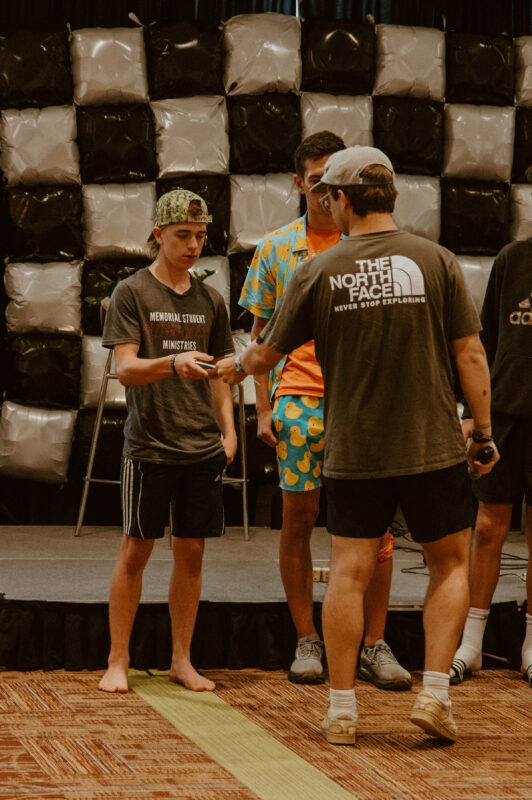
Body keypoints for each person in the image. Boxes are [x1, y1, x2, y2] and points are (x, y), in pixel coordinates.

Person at [216, 146, 499, 744]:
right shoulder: (437, 260)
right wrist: (484, 431)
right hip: (431, 446)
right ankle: (435, 693)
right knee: (450, 565)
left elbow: (266, 353)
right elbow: (471, 354)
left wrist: (230, 368)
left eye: (330, 197)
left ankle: (342, 710)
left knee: (348, 572)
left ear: (341, 198)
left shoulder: (319, 271)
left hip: (353, 450)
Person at [239, 131, 411, 689]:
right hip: (300, 397)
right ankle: (306, 638)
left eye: (333, 181)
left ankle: (374, 643)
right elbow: (260, 336)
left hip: (365, 400)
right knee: (299, 518)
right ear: (299, 182)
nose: (324, 189)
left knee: (376, 528)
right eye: (315, 179)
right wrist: (263, 409)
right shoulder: (277, 248)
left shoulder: (375, 242)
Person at [99, 189, 237, 694]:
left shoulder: (211, 300)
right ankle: (118, 659)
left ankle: (182, 659)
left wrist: (230, 432)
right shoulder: (131, 292)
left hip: (201, 447)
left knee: (192, 552)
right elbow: (125, 370)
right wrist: (172, 363)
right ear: (158, 235)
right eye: (183, 235)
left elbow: (220, 375)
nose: (193, 245)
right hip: (150, 446)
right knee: (136, 550)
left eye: (200, 236)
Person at [451, 236, 532, 687]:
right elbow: (485, 342)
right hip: (503, 415)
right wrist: (472, 412)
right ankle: (471, 643)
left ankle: (531, 647)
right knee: (486, 528)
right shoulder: (511, 258)